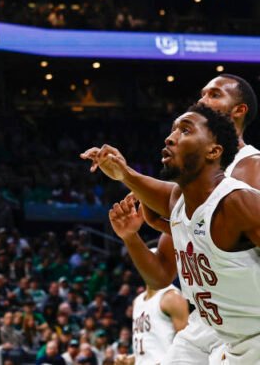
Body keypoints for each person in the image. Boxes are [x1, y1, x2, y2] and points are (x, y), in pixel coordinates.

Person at [81, 74, 259, 364]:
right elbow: (163, 272)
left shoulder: (248, 176)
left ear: (240, 110)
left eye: (214, 95)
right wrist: (139, 225)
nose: (202, 100)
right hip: (213, 322)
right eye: (201, 94)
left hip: (247, 323)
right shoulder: (186, 193)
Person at [108, 197, 189, 365]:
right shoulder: (138, 301)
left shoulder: (172, 297)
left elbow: (187, 345)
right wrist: (130, 360)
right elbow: (150, 349)